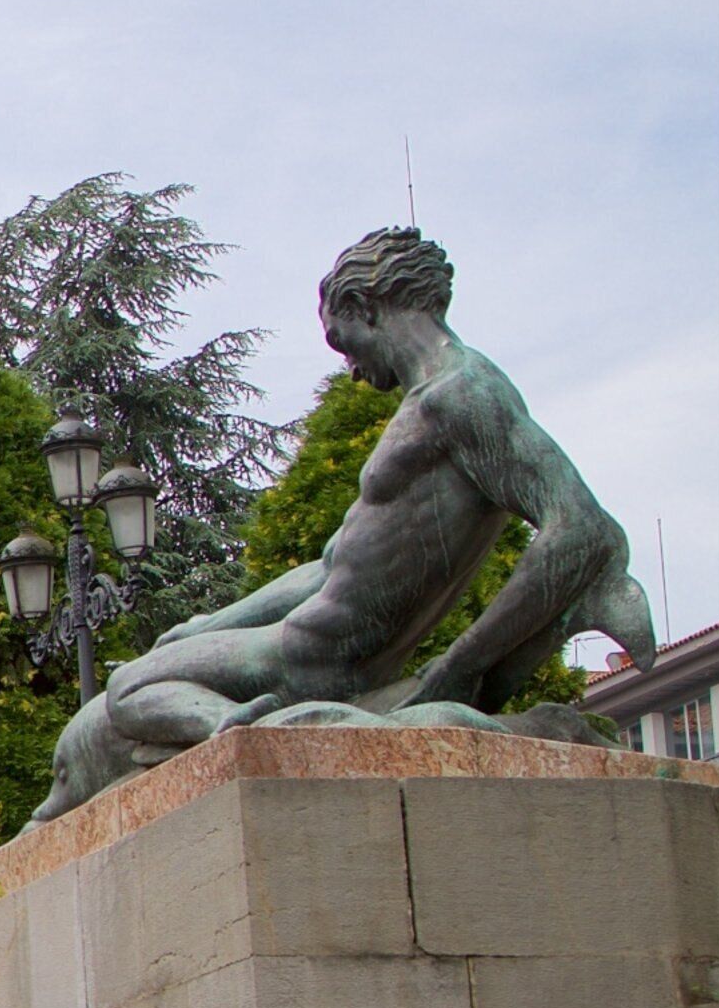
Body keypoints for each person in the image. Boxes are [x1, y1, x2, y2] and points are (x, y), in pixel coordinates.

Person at [32, 224, 651, 820]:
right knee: (153, 669)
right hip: (317, 639)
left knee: (128, 689)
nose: (350, 366)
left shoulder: (460, 395)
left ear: (365, 307)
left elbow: (583, 529)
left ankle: (232, 728)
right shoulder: (440, 398)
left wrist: (459, 665)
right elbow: (328, 568)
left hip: (316, 657)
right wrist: (206, 624)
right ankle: (236, 721)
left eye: (340, 337)